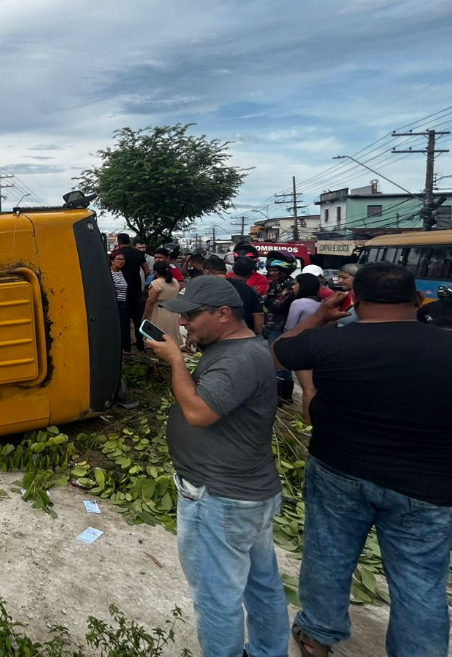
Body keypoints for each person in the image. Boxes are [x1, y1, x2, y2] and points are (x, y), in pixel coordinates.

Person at [272, 264, 452, 657]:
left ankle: (318, 635)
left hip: (339, 469)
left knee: (328, 555)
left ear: (353, 300)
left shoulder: (331, 343)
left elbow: (279, 351)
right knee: (420, 582)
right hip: (429, 487)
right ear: (420, 300)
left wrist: (319, 318)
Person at [143, 277, 287, 657]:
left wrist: (175, 360)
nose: (185, 323)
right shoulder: (238, 349)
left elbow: (198, 412)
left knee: (216, 595)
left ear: (224, 314)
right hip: (246, 493)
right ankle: (269, 650)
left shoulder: (238, 359)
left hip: (220, 497)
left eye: (191, 316)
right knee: (261, 583)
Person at [261, 260, 297, 403]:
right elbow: (267, 303)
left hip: (280, 328)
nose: (271, 273)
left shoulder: (290, 285)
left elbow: (277, 305)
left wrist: (267, 302)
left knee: (280, 362)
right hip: (269, 325)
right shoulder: (275, 284)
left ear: (283, 271)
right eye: (270, 270)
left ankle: (284, 396)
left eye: (275, 270)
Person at [207, 256, 265, 333]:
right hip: (243, 335)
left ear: (233, 269)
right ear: (251, 273)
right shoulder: (250, 291)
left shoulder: (218, 285)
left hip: (218, 332)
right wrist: (257, 334)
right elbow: (258, 315)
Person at [112, 234, 149, 351]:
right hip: (137, 290)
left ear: (119, 241)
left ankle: (126, 347)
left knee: (124, 320)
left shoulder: (117, 254)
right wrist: (145, 287)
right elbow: (147, 270)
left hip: (122, 291)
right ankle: (140, 346)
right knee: (138, 319)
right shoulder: (138, 253)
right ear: (130, 241)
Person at [143, 262, 182, 344]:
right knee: (171, 333)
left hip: (159, 312)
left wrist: (145, 316)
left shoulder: (157, 283)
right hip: (173, 311)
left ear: (156, 272)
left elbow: (150, 301)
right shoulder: (175, 281)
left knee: (159, 335)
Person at [110, 250, 131, 354]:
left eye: (123, 259)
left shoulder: (122, 272)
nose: (121, 261)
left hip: (123, 303)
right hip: (116, 304)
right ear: (112, 261)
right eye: (118, 259)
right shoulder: (110, 274)